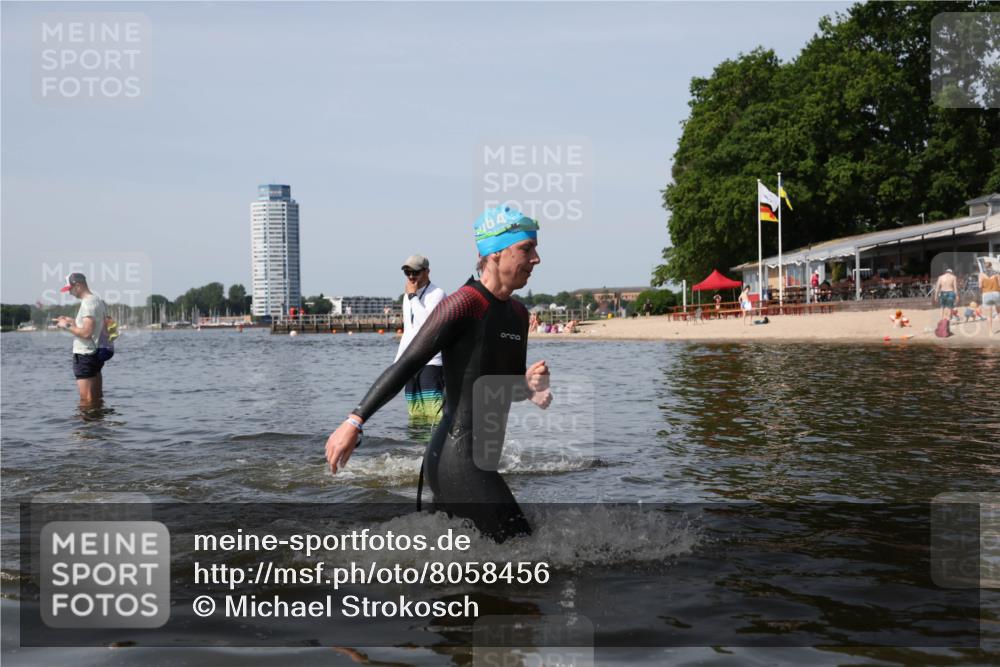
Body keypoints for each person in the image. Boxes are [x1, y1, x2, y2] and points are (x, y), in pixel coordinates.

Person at [325, 206, 552, 542]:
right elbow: (407, 364)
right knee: (527, 554)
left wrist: (527, 387)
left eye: (534, 248)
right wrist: (354, 422)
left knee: (464, 571)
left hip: (481, 459)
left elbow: (501, 385)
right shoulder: (464, 303)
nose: (536, 259)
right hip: (456, 458)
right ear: (494, 253)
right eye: (526, 249)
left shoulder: (518, 314)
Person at [396, 254, 447, 434]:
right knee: (415, 411)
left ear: (427, 272)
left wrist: (412, 296)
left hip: (431, 361)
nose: (411, 277)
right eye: (407, 273)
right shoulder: (407, 297)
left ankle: (436, 450)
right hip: (410, 360)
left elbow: (428, 325)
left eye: (415, 272)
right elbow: (408, 330)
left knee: (434, 412)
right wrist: (398, 362)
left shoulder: (437, 293)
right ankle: (416, 452)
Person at [55, 273, 107, 405]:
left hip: (85, 356)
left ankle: (86, 425)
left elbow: (86, 333)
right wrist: (71, 321)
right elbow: (93, 326)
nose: (70, 293)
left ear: (78, 285)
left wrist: (65, 325)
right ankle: (98, 423)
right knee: (96, 398)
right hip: (96, 353)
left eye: (70, 289)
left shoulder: (87, 303)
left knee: (86, 400)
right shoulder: (97, 300)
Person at [979, 262, 1000, 335]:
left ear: (985, 267)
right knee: (999, 312)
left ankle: (990, 332)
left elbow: (980, 286)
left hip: (986, 294)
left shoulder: (981, 275)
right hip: (996, 293)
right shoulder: (996, 274)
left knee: (989, 315)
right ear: (991, 266)